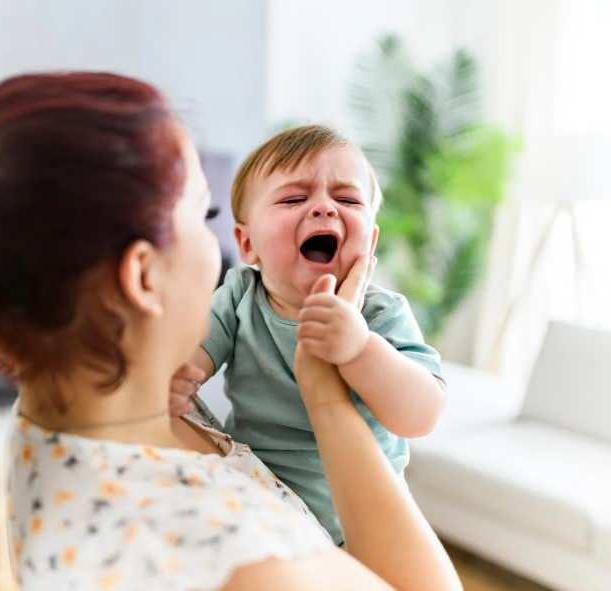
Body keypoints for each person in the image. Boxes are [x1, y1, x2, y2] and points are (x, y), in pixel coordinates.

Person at [0, 72, 460, 590]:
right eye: (205, 213)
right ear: (142, 275)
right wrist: (322, 394)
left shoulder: (52, 416)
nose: (323, 209)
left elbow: (422, 405)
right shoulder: (248, 564)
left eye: (347, 200)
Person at [170, 125, 447, 544]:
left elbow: (421, 416)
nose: (324, 208)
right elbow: (190, 357)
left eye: (347, 199)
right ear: (247, 243)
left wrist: (360, 348)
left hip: (360, 526)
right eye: (293, 199)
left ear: (371, 241)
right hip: (259, 502)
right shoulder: (240, 294)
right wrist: (176, 378)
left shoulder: (381, 313)